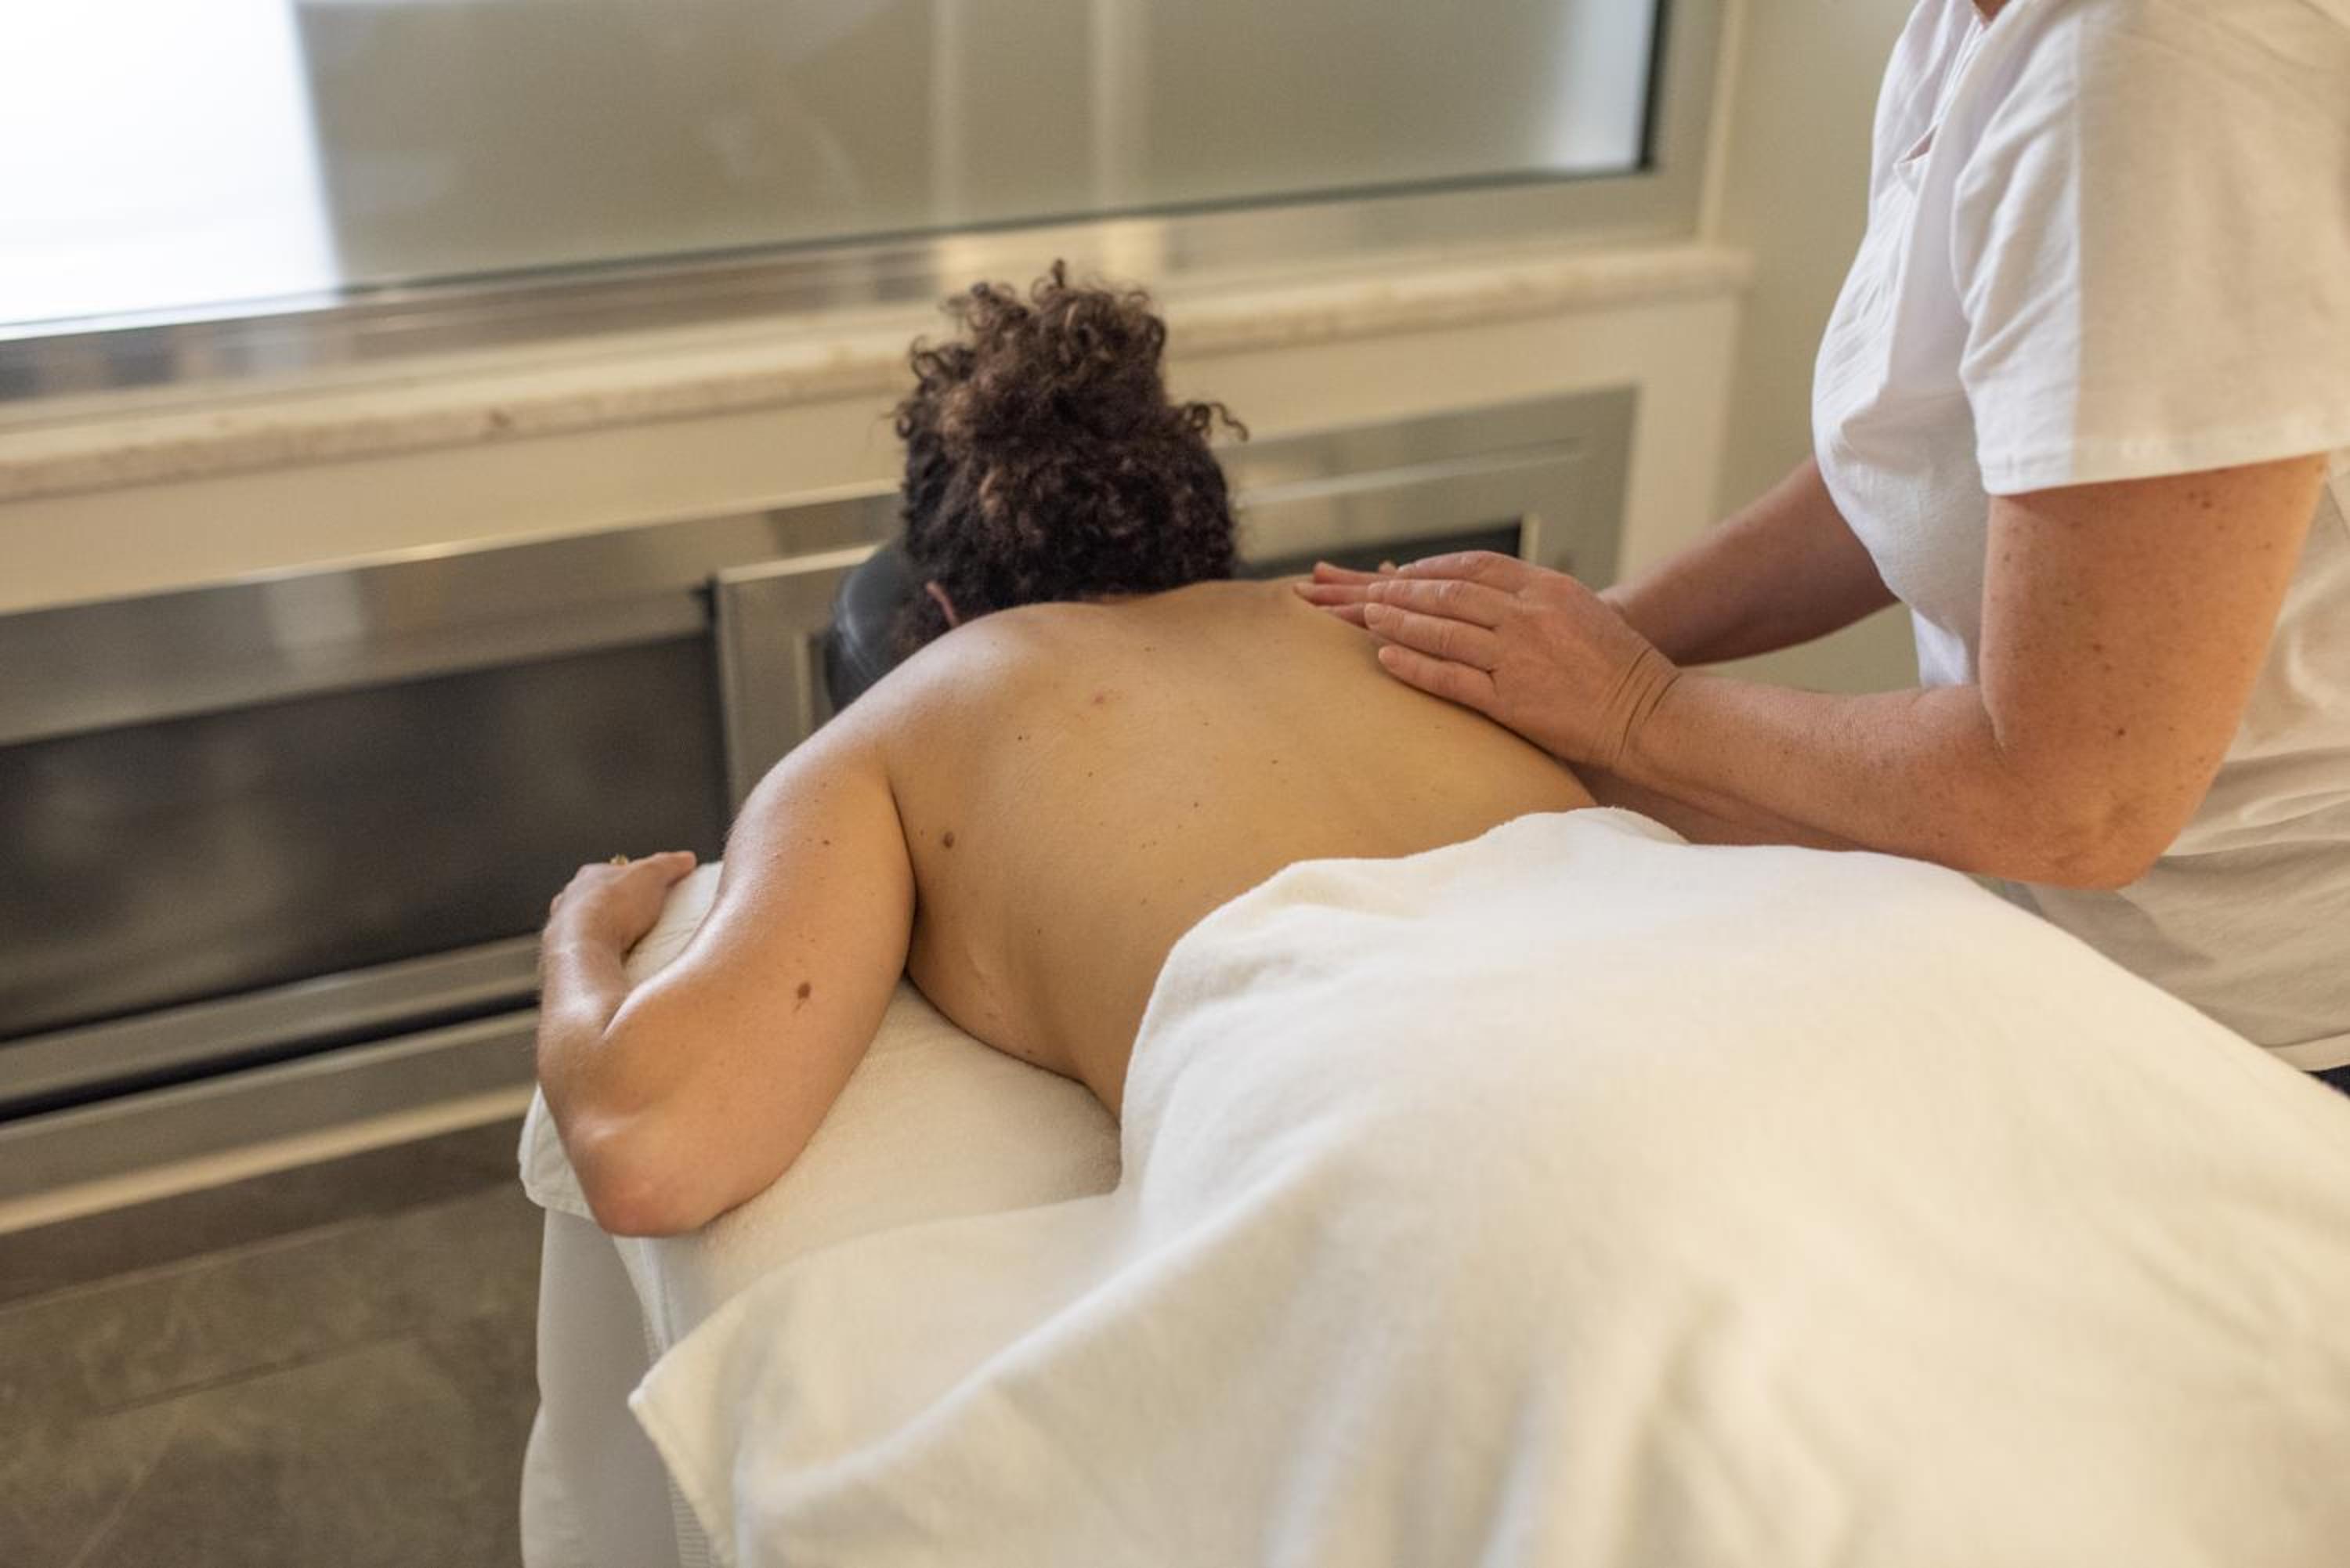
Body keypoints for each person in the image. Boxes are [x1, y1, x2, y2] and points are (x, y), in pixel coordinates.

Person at [1302, 0, 2350, 1086]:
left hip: (2280, 1026)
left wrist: (1632, 706)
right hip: (2079, 947)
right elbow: (1924, 472)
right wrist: (1570, 642)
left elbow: (2076, 802)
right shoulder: (1970, 30)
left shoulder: (2161, 74)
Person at [533, 268, 1594, 1237]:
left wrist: (579, 934)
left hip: (1438, 1167)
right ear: (1204, 536)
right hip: (1681, 995)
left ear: (942, 604)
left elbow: (649, 1153)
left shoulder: (919, 705)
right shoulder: (1414, 619)